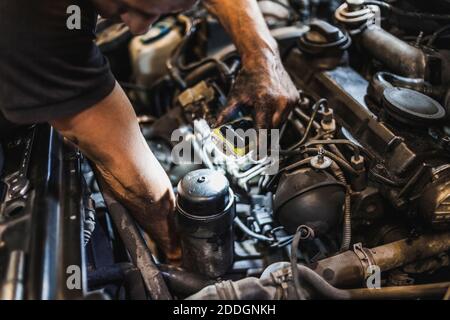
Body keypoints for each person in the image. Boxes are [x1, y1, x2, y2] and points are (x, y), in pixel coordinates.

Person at [0, 0, 299, 262]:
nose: (139, 29)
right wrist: (179, 251)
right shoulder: (38, 15)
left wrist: (263, 57)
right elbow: (119, 158)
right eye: (126, 8)